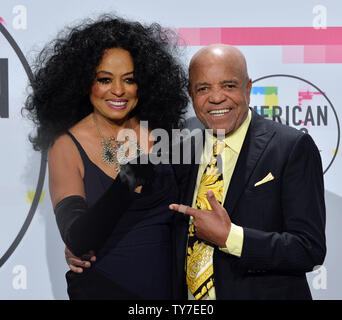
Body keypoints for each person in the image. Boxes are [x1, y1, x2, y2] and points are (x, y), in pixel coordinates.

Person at [24, 15, 189, 299]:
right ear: (84, 83)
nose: (118, 91)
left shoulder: (164, 133)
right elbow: (78, 238)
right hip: (101, 290)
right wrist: (129, 178)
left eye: (129, 79)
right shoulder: (67, 146)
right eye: (104, 79)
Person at [169, 44, 326, 300]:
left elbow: (308, 248)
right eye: (204, 88)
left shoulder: (290, 147)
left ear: (248, 88)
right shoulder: (179, 153)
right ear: (191, 94)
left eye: (229, 86)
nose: (217, 97)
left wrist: (231, 237)